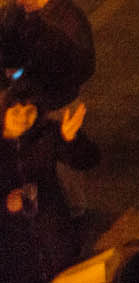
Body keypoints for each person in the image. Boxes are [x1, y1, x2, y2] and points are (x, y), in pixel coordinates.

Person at [0, 84, 96, 283]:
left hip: (54, 235)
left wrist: (72, 140)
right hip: (12, 244)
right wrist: (5, 204)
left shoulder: (47, 134)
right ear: (4, 111)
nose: (23, 117)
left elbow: (89, 160)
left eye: (30, 111)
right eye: (16, 110)